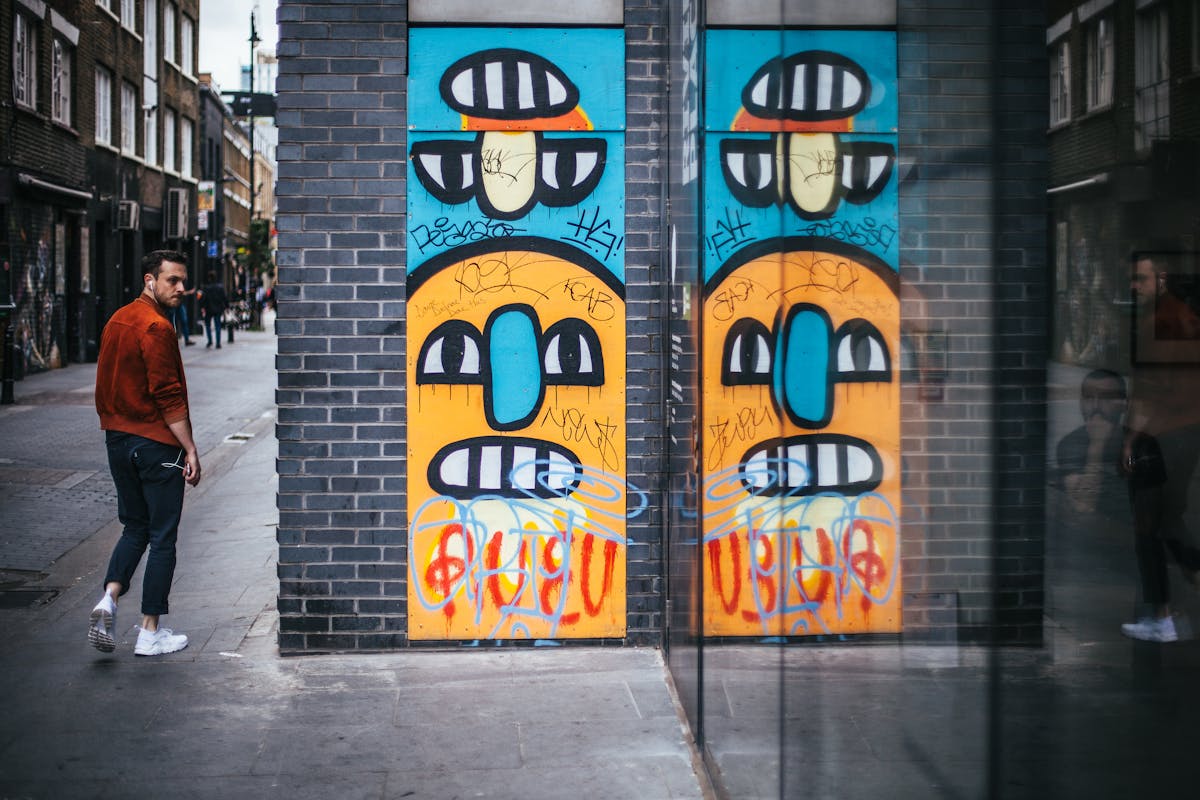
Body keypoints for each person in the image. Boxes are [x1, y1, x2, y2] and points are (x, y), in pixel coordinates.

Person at [88, 250, 201, 656]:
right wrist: (189, 448)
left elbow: (103, 384)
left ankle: (109, 597)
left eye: (183, 280)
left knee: (134, 527)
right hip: (154, 445)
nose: (181, 289)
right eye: (172, 281)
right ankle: (150, 631)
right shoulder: (155, 327)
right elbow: (167, 395)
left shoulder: (117, 319)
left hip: (117, 442)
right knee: (163, 537)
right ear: (150, 280)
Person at [1119, 252, 1200, 642]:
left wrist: (1132, 438)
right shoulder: (1180, 316)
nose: (1134, 288)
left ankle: (1162, 617)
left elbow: (1153, 390)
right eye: (1132, 281)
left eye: (1142, 280)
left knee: (1148, 523)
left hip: (1164, 434)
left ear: (1162, 278)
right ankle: (1169, 607)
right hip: (1183, 432)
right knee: (1168, 519)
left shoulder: (1160, 322)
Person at [1056, 369, 1128, 518]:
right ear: (1081, 403)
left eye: (1106, 398)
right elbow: (1083, 507)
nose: (1096, 406)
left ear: (1124, 404)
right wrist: (1097, 446)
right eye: (1089, 398)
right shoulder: (1070, 444)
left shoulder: (1140, 444)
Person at [198, 270, 228, 349]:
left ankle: (210, 341)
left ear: (209, 278)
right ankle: (218, 343)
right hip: (218, 309)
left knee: (208, 325)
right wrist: (227, 307)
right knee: (218, 325)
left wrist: (202, 307)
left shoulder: (206, 288)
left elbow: (203, 299)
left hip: (209, 309)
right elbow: (224, 298)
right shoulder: (220, 287)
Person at [170, 279, 196, 346]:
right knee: (173, 322)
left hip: (179, 304)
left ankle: (186, 340)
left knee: (183, 321)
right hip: (173, 304)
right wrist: (190, 292)